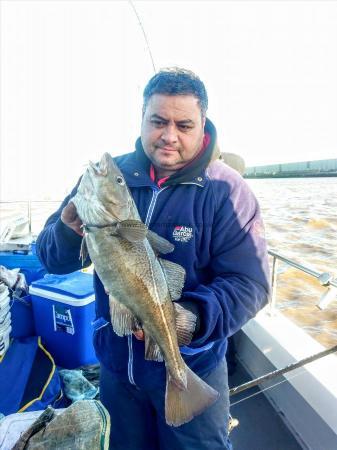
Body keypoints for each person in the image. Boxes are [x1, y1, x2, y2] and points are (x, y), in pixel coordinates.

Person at [37, 67, 270, 450]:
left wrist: (191, 318)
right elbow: (50, 259)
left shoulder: (227, 190)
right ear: (142, 117)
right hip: (117, 372)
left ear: (203, 124)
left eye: (184, 124)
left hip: (194, 364)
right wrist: (66, 230)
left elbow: (251, 284)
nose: (169, 135)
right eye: (158, 121)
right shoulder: (105, 182)